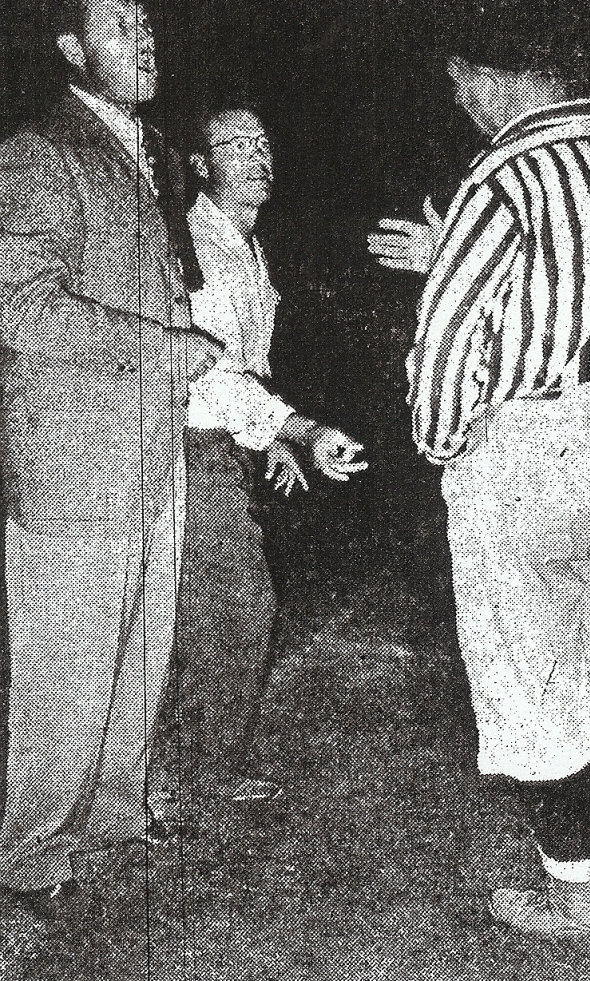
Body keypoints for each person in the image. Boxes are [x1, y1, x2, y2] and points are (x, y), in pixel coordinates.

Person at [368, 45, 590, 940]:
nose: (463, 101)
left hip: (530, 457)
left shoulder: (500, 175)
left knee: (529, 674)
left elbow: (447, 344)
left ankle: (575, 897)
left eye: (460, 82)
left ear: (492, 74)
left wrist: (443, 441)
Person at [0, 0, 223, 892]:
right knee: (65, 682)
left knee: (138, 656)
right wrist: (167, 346)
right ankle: (30, 856)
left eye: (148, 23)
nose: (146, 37)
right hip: (74, 467)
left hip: (149, 456)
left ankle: (113, 823)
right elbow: (21, 307)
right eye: (120, 26)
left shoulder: (151, 152)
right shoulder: (39, 153)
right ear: (71, 48)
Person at [182, 106, 368, 799]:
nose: (259, 156)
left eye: (264, 143)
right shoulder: (193, 242)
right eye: (237, 146)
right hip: (193, 441)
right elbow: (209, 373)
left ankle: (187, 769)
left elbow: (249, 360)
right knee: (237, 606)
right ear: (202, 165)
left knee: (216, 610)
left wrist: (269, 442)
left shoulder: (245, 243)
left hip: (227, 440)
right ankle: (196, 773)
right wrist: (295, 430)